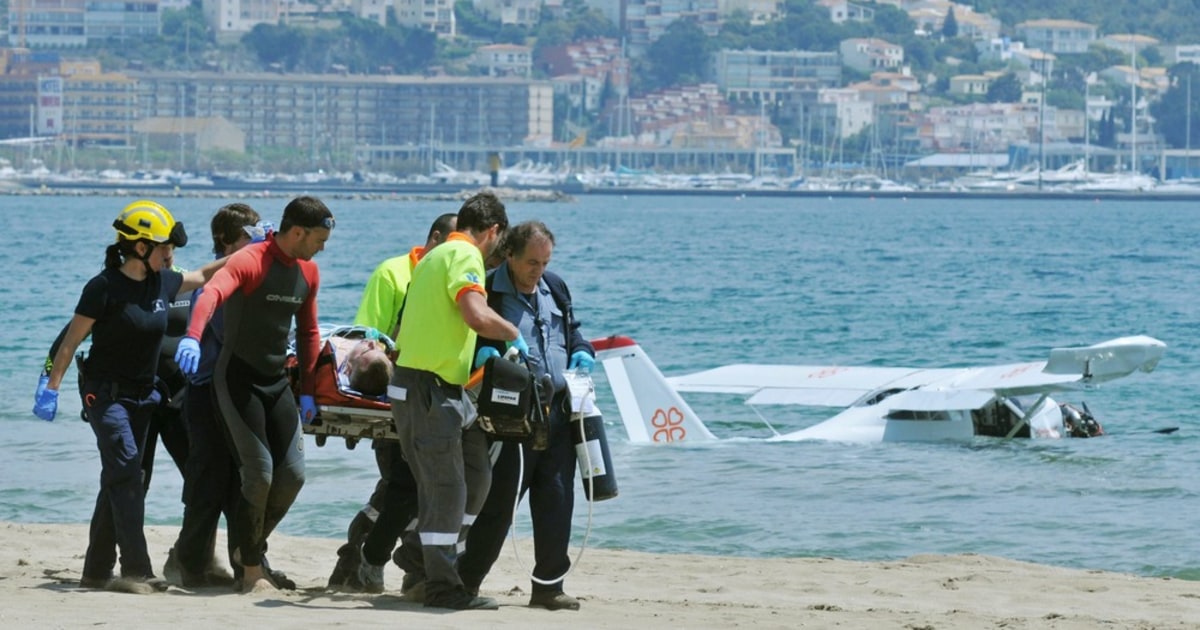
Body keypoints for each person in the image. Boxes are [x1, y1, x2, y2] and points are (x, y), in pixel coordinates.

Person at [32, 200, 226, 594]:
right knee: (128, 474)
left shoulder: (164, 282)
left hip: (144, 398)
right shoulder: (103, 288)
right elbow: (71, 342)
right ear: (140, 248)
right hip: (105, 397)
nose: (170, 255)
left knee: (117, 480)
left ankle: (96, 571)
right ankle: (137, 569)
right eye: (164, 248)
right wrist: (50, 387)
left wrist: (252, 253)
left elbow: (204, 274)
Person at [174, 195, 333, 593]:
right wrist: (193, 337)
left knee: (292, 475)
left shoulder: (309, 272)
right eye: (319, 238)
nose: (322, 247)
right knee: (257, 474)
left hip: (276, 382)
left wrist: (310, 392)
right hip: (236, 380)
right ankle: (249, 570)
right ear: (298, 231)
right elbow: (210, 294)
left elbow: (309, 333)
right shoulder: (250, 260)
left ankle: (251, 551)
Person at [387, 191, 524, 610]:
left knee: (476, 472)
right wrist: (516, 335)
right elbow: (476, 315)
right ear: (493, 231)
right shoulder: (465, 257)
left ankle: (416, 549)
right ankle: (443, 586)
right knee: (447, 488)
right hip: (428, 389)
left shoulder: (435, 255)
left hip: (439, 388)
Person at [459, 220, 595, 611]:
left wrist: (583, 350)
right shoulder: (488, 289)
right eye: (531, 262)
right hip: (510, 415)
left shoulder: (555, 287)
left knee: (556, 498)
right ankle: (466, 581)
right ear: (511, 257)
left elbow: (573, 332)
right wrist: (484, 355)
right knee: (498, 503)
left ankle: (549, 587)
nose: (538, 270)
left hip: (558, 412)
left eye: (545, 261)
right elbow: (470, 339)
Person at [327, 213, 456, 590]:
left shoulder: (456, 276)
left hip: (437, 397)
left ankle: (364, 553)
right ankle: (371, 555)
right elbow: (366, 342)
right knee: (405, 486)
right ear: (434, 239)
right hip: (395, 397)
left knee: (413, 487)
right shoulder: (393, 274)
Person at [164, 203, 270, 588]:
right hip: (206, 393)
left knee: (243, 484)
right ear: (225, 241)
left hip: (239, 393)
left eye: (260, 233)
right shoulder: (215, 281)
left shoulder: (254, 274)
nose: (257, 241)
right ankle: (188, 563)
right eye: (248, 236)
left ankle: (246, 564)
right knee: (207, 483)